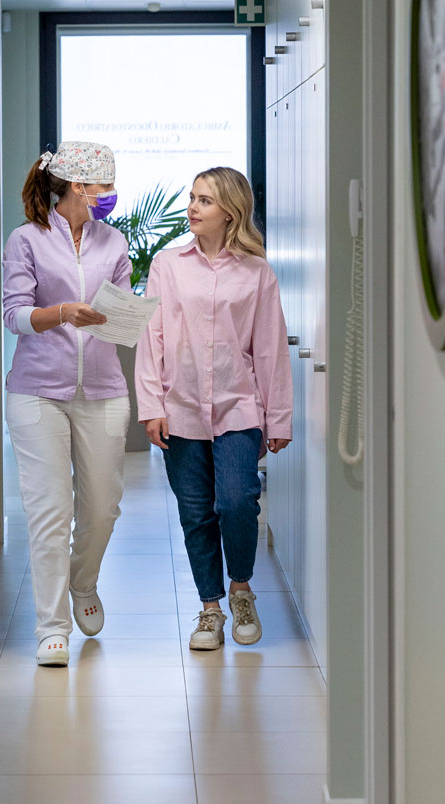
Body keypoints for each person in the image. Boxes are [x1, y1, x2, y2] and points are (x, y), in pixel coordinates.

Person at [135, 166, 293, 651]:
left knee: (237, 500)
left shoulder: (256, 272)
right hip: (179, 408)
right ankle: (210, 609)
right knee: (197, 513)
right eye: (192, 199)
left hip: (238, 407)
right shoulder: (167, 265)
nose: (192, 208)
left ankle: (241, 589)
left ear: (230, 211)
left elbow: (269, 348)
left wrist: (279, 416)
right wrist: (150, 405)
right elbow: (150, 338)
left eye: (204, 201)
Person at [3, 141, 131, 666]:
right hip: (37, 392)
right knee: (49, 511)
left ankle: (84, 584)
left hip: (102, 389)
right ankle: (51, 627)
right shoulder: (26, 240)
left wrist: (123, 318)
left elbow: (122, 315)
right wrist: (60, 314)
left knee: (102, 507)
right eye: (105, 186)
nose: (111, 195)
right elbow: (14, 314)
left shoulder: (115, 243)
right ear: (79, 186)